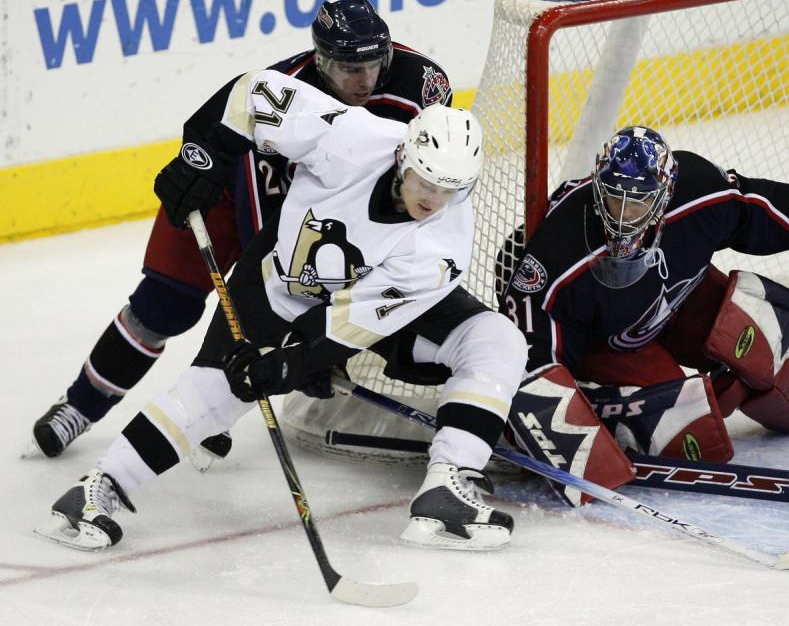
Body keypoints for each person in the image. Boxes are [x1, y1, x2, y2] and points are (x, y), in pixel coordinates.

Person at [37, 70, 527, 551]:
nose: (435, 199)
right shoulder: (350, 136)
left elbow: (346, 324)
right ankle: (99, 487)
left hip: (379, 310)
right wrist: (203, 158)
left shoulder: (440, 247)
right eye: (427, 181)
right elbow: (251, 93)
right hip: (277, 287)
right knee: (211, 395)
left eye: (451, 189)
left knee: (496, 340)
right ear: (404, 157)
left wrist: (287, 362)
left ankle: (448, 483)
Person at [29, 0, 453, 460]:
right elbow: (249, 185)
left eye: (374, 64)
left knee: (305, 304)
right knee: (163, 306)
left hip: (325, 212)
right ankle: (79, 405)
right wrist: (196, 164)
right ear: (320, 60)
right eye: (350, 68)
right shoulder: (284, 89)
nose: (365, 80)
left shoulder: (421, 86)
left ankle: (206, 404)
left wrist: (309, 342)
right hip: (238, 193)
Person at [497, 126, 789, 503]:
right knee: (684, 426)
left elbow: (765, 206)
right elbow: (534, 360)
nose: (623, 214)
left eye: (639, 202)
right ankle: (624, 414)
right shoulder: (557, 254)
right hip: (605, 344)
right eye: (613, 197)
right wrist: (556, 427)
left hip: (678, 301)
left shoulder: (699, 190)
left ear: (665, 192)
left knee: (758, 319)